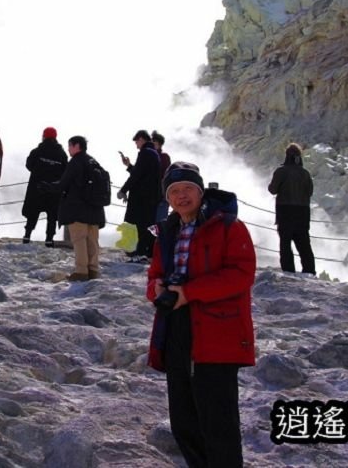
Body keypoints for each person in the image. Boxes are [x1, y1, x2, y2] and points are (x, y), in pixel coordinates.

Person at [146, 162, 255, 468]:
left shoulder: (228, 226)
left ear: (201, 191)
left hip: (217, 329)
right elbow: (154, 274)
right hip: (177, 326)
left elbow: (241, 274)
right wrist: (156, 289)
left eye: (188, 189)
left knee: (217, 420)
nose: (181, 197)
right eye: (174, 191)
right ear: (168, 198)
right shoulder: (167, 231)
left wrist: (190, 292)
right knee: (183, 420)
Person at [57, 135, 106, 281]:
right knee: (92, 240)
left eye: (70, 146)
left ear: (76, 146)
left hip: (77, 208)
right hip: (95, 209)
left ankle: (81, 271)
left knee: (79, 240)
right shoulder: (93, 161)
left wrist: (50, 188)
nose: (68, 149)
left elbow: (64, 183)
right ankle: (93, 270)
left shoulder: (75, 162)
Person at [268, 142, 316, 275]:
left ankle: (289, 271)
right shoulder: (305, 173)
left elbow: (273, 189)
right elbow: (310, 192)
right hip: (303, 212)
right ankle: (309, 271)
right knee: (304, 244)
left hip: (285, 210)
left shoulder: (281, 171)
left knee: (285, 243)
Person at [117, 129, 162, 260]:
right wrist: (129, 166)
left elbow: (137, 175)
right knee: (146, 224)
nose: (136, 144)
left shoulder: (146, 152)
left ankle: (139, 253)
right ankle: (144, 252)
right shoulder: (153, 153)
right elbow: (141, 173)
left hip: (142, 198)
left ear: (142, 139)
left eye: (136, 141)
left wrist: (123, 190)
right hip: (150, 197)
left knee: (137, 224)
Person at [21, 127, 67, 246]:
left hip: (36, 187)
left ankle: (27, 235)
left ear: (44, 136)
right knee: (52, 215)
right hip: (54, 189)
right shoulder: (61, 154)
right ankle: (49, 238)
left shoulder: (37, 151)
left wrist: (39, 173)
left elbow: (29, 165)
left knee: (32, 212)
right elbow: (65, 171)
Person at [152, 130, 172, 222]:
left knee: (159, 226)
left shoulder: (163, 157)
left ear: (158, 143)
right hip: (154, 197)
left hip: (160, 196)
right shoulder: (150, 156)